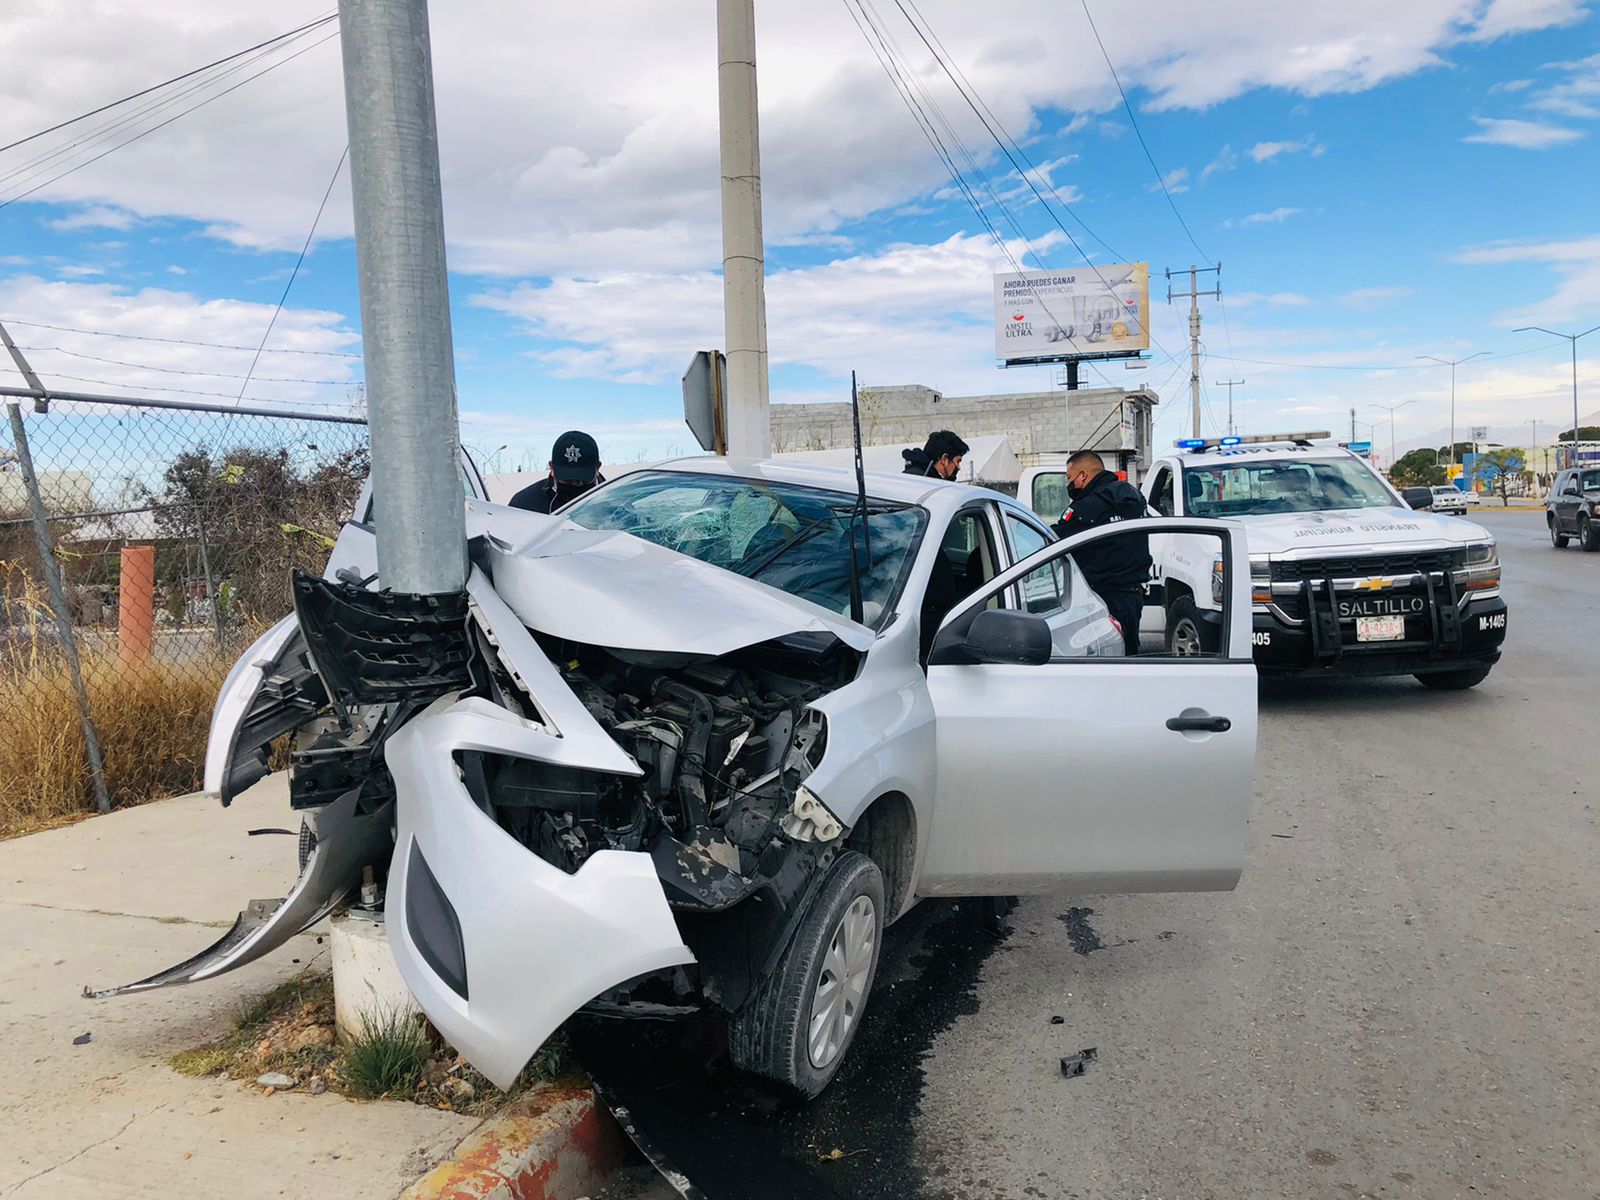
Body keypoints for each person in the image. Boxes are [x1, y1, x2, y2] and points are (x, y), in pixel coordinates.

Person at [1050, 449, 1150, 655]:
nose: (1069, 484)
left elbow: (1056, 539)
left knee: (1105, 658)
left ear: (1083, 475)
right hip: (1132, 596)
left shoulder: (1086, 506)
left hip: (1100, 597)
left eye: (1070, 478)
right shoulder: (1134, 498)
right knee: (1129, 655)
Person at [509, 431, 604, 514]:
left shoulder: (614, 502)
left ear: (598, 468)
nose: (575, 485)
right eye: (567, 480)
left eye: (582, 480)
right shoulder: (524, 505)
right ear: (551, 468)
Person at [902, 430, 969, 480]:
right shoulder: (924, 483)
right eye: (957, 461)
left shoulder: (913, 477)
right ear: (944, 459)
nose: (958, 467)